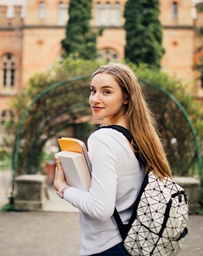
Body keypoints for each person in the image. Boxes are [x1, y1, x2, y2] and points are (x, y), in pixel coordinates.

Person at [54, 63, 172, 255]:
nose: (95, 99)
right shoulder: (138, 137)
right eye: (93, 91)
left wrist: (63, 188)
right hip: (134, 243)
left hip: (107, 247)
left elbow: (101, 208)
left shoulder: (103, 138)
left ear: (126, 97)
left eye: (106, 92)